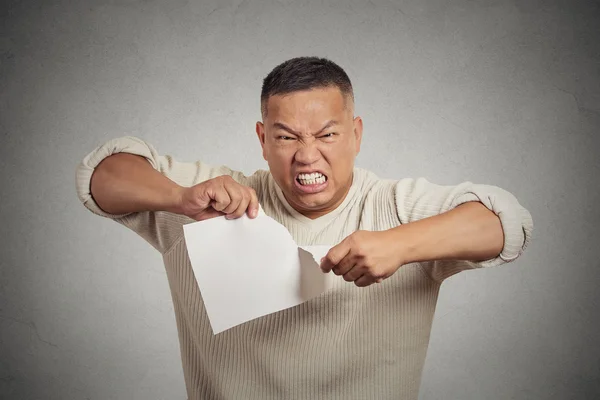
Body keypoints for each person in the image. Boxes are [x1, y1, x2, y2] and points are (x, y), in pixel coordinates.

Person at [75, 56, 533, 400]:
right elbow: (100, 173)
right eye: (287, 136)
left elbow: (506, 221)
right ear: (262, 139)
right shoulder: (211, 200)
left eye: (327, 134)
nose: (307, 155)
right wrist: (178, 197)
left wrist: (400, 244)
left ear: (356, 134)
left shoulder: (397, 206)